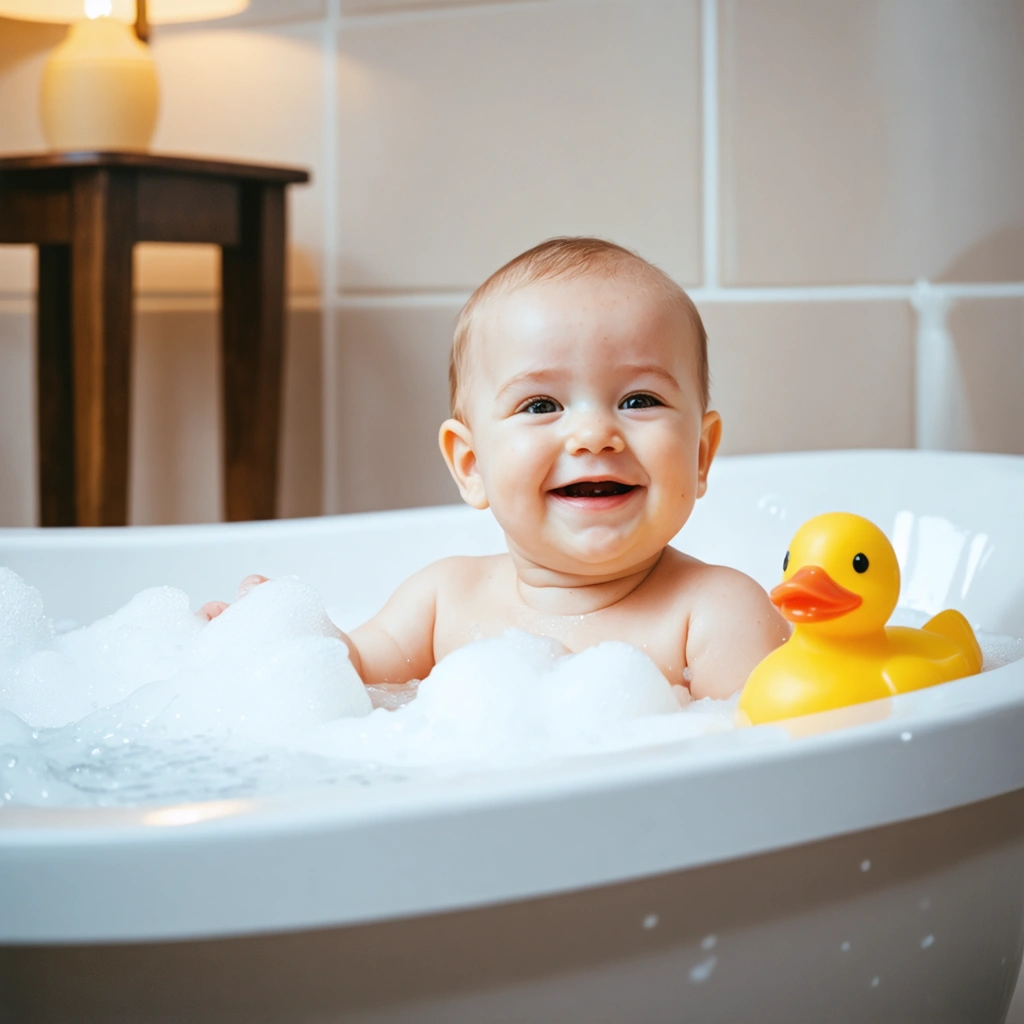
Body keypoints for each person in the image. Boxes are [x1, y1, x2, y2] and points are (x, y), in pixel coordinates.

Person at [202, 237, 789, 700]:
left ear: (701, 454)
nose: (592, 435)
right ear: (471, 464)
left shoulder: (716, 613)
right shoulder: (442, 599)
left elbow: (753, 774)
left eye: (638, 400)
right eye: (541, 406)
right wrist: (279, 640)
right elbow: (345, 680)